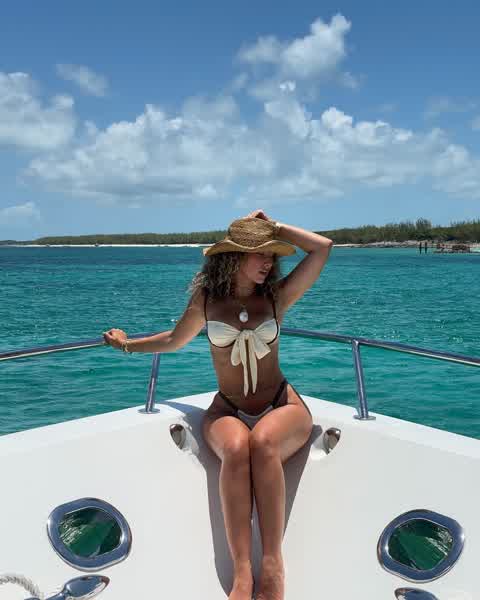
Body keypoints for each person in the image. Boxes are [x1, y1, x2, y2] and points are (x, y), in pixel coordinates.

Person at [103, 209, 333, 600]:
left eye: (271, 253)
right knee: (238, 447)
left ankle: (272, 564)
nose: (268, 262)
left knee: (263, 442)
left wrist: (275, 227)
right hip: (227, 408)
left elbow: (322, 248)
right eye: (259, 252)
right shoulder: (208, 300)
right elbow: (173, 340)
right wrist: (126, 345)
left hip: (282, 404)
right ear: (233, 256)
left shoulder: (276, 296)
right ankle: (242, 572)